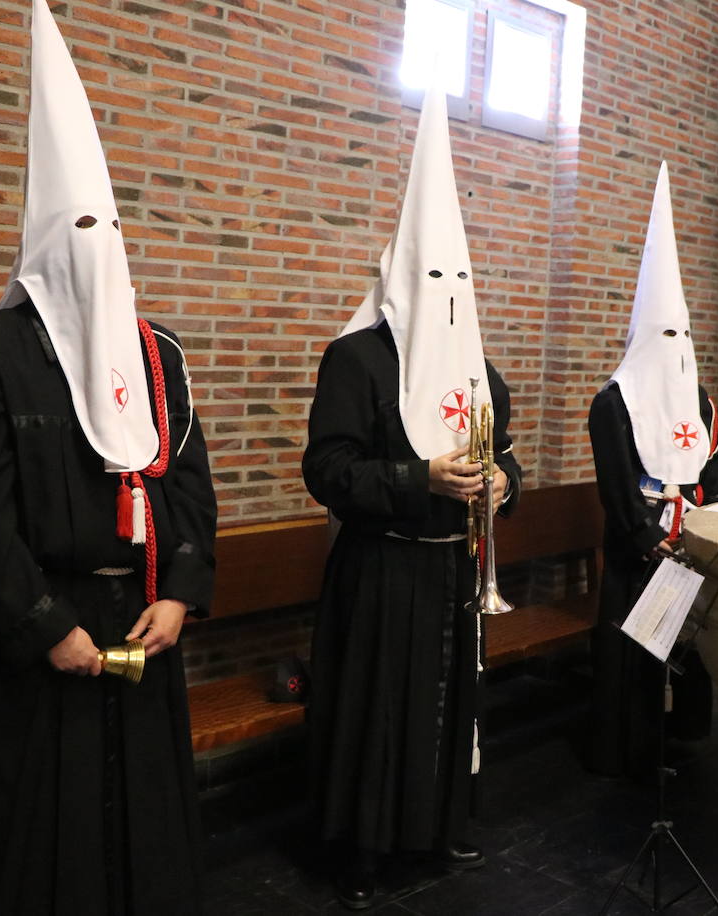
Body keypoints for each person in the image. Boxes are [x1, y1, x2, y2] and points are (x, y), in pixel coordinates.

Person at [0, 3, 216, 913]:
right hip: (38, 636)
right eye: (80, 234)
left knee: (144, 835)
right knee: (40, 841)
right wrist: (47, 624)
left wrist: (180, 593)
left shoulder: (158, 355)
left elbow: (191, 486)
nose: (101, 257)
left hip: (140, 626)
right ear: (48, 246)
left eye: (112, 234)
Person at [302, 84, 522, 911]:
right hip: (382, 570)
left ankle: (438, 828)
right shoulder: (356, 359)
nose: (445, 288)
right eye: (433, 273)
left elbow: (507, 461)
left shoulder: (481, 370)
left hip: (452, 575)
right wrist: (416, 479)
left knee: (447, 709)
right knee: (377, 714)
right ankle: (362, 853)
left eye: (457, 274)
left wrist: (505, 483)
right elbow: (325, 469)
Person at [589, 163, 718, 780]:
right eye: (665, 332)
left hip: (688, 542)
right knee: (632, 651)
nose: (676, 342)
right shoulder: (614, 400)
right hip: (639, 547)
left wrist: (705, 521)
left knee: (683, 649)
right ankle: (624, 750)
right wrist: (651, 537)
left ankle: (677, 739)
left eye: (685, 333)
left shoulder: (698, 398)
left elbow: (717, 464)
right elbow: (617, 484)